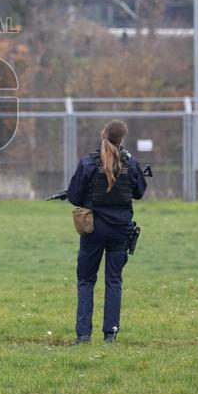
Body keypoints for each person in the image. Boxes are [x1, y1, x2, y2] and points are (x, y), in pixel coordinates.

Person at [65, 119, 146, 345]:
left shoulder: (89, 162)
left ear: (104, 134)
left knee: (86, 281)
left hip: (93, 230)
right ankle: (110, 335)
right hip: (120, 230)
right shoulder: (130, 163)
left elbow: (74, 196)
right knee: (113, 282)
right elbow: (139, 192)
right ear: (122, 138)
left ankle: (83, 336)